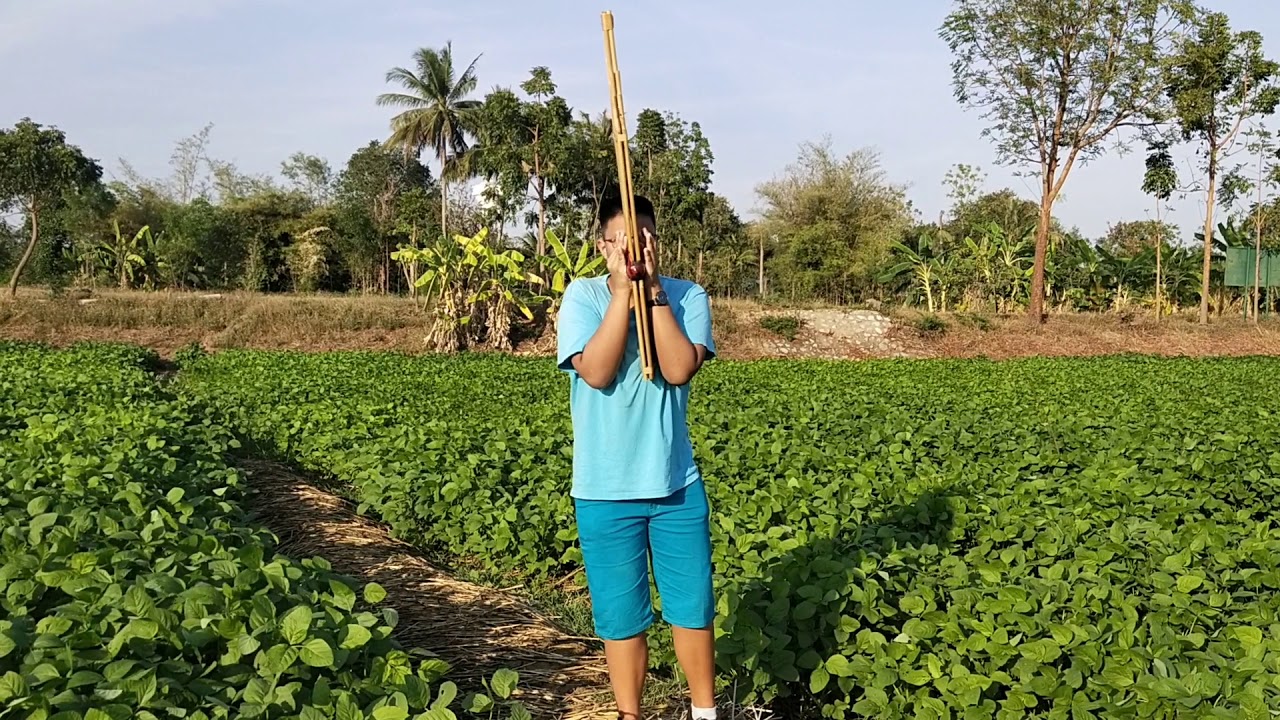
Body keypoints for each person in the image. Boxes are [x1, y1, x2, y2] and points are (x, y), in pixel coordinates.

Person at [556, 193, 718, 720]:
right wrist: (623, 292)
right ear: (602, 244)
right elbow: (597, 371)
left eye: (643, 238)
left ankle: (704, 711)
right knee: (621, 615)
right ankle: (631, 714)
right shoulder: (583, 298)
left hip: (675, 484)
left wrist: (650, 292)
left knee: (691, 606)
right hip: (604, 490)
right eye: (622, 240)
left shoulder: (687, 296)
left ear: (657, 242)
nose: (634, 248)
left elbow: (677, 368)